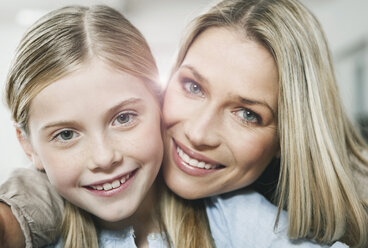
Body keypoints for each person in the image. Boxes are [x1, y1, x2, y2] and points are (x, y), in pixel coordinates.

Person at [1, 0, 367, 247]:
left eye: (248, 114)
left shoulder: (241, 219)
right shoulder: (51, 207)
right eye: (193, 86)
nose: (197, 133)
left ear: (291, 138)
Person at [0, 5, 214, 248]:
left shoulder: (238, 222)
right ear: (29, 147)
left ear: (161, 104)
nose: (103, 158)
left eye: (123, 118)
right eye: (66, 134)